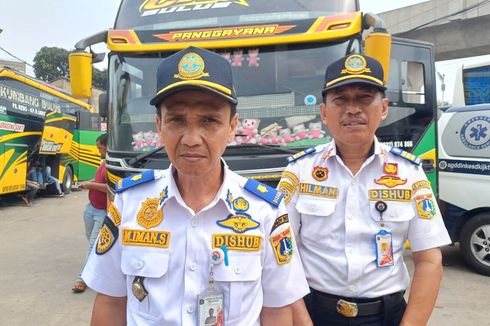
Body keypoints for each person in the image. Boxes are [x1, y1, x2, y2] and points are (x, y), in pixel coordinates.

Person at [81, 46, 310, 325]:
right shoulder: (130, 203)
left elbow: (277, 309)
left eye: (209, 121)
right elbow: (110, 300)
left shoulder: (266, 210)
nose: (191, 139)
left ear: (232, 127)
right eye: (177, 120)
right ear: (159, 125)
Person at [279, 54, 451, 325]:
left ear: (383, 108)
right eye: (341, 100)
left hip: (386, 317)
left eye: (364, 98)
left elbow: (429, 260)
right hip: (314, 314)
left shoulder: (408, 173)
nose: (353, 109)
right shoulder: (299, 172)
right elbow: (282, 257)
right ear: (324, 112)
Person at [72, 133, 108, 293]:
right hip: (91, 208)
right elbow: (100, 183)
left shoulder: (111, 166)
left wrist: (90, 185)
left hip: (101, 212)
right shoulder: (103, 163)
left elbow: (111, 188)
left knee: (93, 245)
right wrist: (89, 183)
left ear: (108, 146)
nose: (99, 151)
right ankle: (98, 267)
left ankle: (82, 279)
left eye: (100, 148)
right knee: (92, 243)